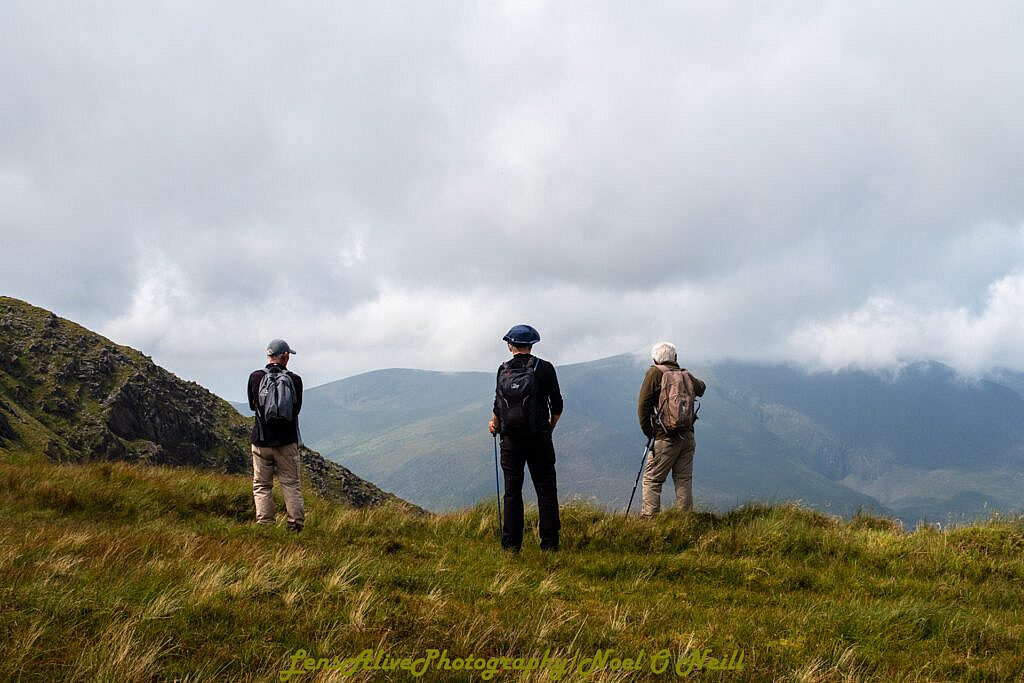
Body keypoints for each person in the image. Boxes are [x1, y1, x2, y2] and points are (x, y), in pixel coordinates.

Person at [488, 324, 563, 551]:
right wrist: (549, 427)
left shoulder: (503, 370)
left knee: (512, 492)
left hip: (510, 440)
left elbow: (498, 404)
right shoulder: (545, 368)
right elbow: (557, 405)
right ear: (532, 345)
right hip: (539, 437)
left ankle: (511, 545)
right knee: (546, 489)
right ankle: (549, 544)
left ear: (510, 346)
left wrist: (495, 425)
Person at [637, 341, 706, 517]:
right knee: (683, 479)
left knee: (652, 479)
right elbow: (701, 388)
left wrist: (650, 432)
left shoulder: (654, 373)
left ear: (654, 359)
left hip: (665, 437)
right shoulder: (685, 375)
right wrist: (685, 378)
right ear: (675, 357)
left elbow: (643, 406)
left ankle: (650, 520)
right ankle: (685, 519)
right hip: (687, 436)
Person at [248, 338, 305, 532]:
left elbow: (253, 406)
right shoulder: (295, 380)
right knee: (291, 484)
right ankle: (295, 525)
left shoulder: (255, 377)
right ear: (285, 356)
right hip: (287, 442)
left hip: (261, 441)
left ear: (269, 355)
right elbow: (296, 409)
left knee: (262, 485)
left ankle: (265, 525)